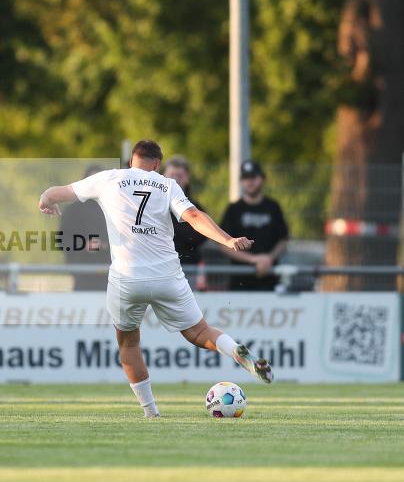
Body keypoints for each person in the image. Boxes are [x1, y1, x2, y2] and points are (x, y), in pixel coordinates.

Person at [38, 140, 273, 419]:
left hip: (127, 278)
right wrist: (228, 239)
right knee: (199, 332)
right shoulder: (167, 184)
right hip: (167, 275)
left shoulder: (109, 178)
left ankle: (151, 413)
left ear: (131, 162)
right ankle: (235, 350)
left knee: (128, 344)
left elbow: (59, 192)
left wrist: (45, 200)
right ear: (158, 164)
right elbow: (194, 216)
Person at [219, 160, 289, 291]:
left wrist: (268, 259)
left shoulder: (273, 207)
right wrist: (254, 259)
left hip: (269, 278)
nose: (250, 182)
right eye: (245, 178)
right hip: (240, 280)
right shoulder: (233, 209)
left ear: (262, 179)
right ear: (241, 181)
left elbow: (283, 240)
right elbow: (223, 245)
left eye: (253, 177)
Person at [60, 165, 109, 291]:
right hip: (83, 275)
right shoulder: (73, 210)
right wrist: (84, 244)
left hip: (114, 276)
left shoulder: (116, 210)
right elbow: (63, 240)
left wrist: (106, 245)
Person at [163, 156, 208, 266]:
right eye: (172, 175)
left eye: (180, 176)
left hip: (187, 266)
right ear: (163, 176)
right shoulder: (154, 205)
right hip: (160, 266)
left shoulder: (194, 207)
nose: (175, 180)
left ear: (187, 178)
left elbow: (203, 235)